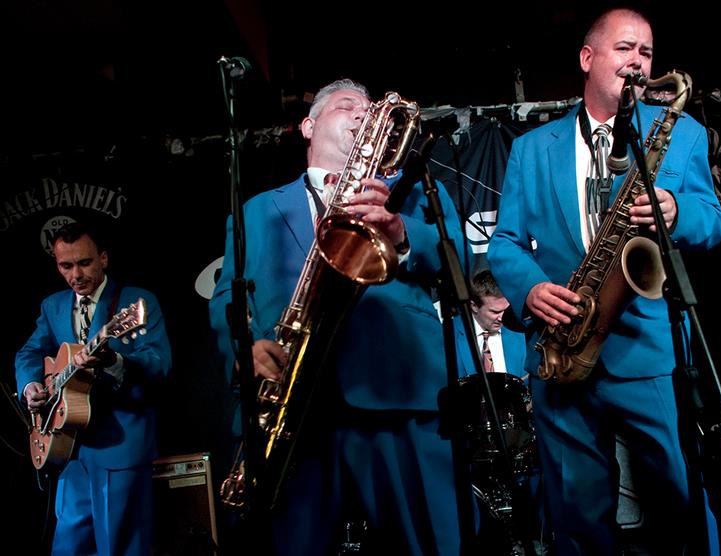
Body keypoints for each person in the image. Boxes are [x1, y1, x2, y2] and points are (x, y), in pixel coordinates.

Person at [487, 7, 721, 555]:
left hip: (645, 347)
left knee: (679, 494)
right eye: (625, 49)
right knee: (575, 508)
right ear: (587, 58)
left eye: (646, 52)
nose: (638, 62)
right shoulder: (531, 147)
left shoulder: (682, 133)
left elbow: (714, 222)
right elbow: (503, 241)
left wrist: (677, 211)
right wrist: (529, 290)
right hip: (562, 345)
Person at [209, 78, 466, 555]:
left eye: (369, 111)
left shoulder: (406, 193)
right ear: (309, 126)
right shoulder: (256, 211)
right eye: (347, 106)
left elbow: (463, 264)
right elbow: (227, 297)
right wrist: (243, 347)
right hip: (297, 409)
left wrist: (401, 230)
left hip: (399, 396)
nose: (362, 115)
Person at [16, 221, 172, 556]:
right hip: (69, 447)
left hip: (120, 445)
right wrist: (30, 385)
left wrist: (113, 360)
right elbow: (29, 352)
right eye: (66, 266)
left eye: (84, 263)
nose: (76, 275)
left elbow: (159, 364)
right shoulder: (53, 305)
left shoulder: (137, 302)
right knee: (68, 548)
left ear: (103, 258)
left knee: (120, 547)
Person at [454, 269, 527, 378]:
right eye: (495, 312)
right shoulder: (449, 334)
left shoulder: (519, 329)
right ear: (474, 306)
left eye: (505, 310)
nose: (502, 318)